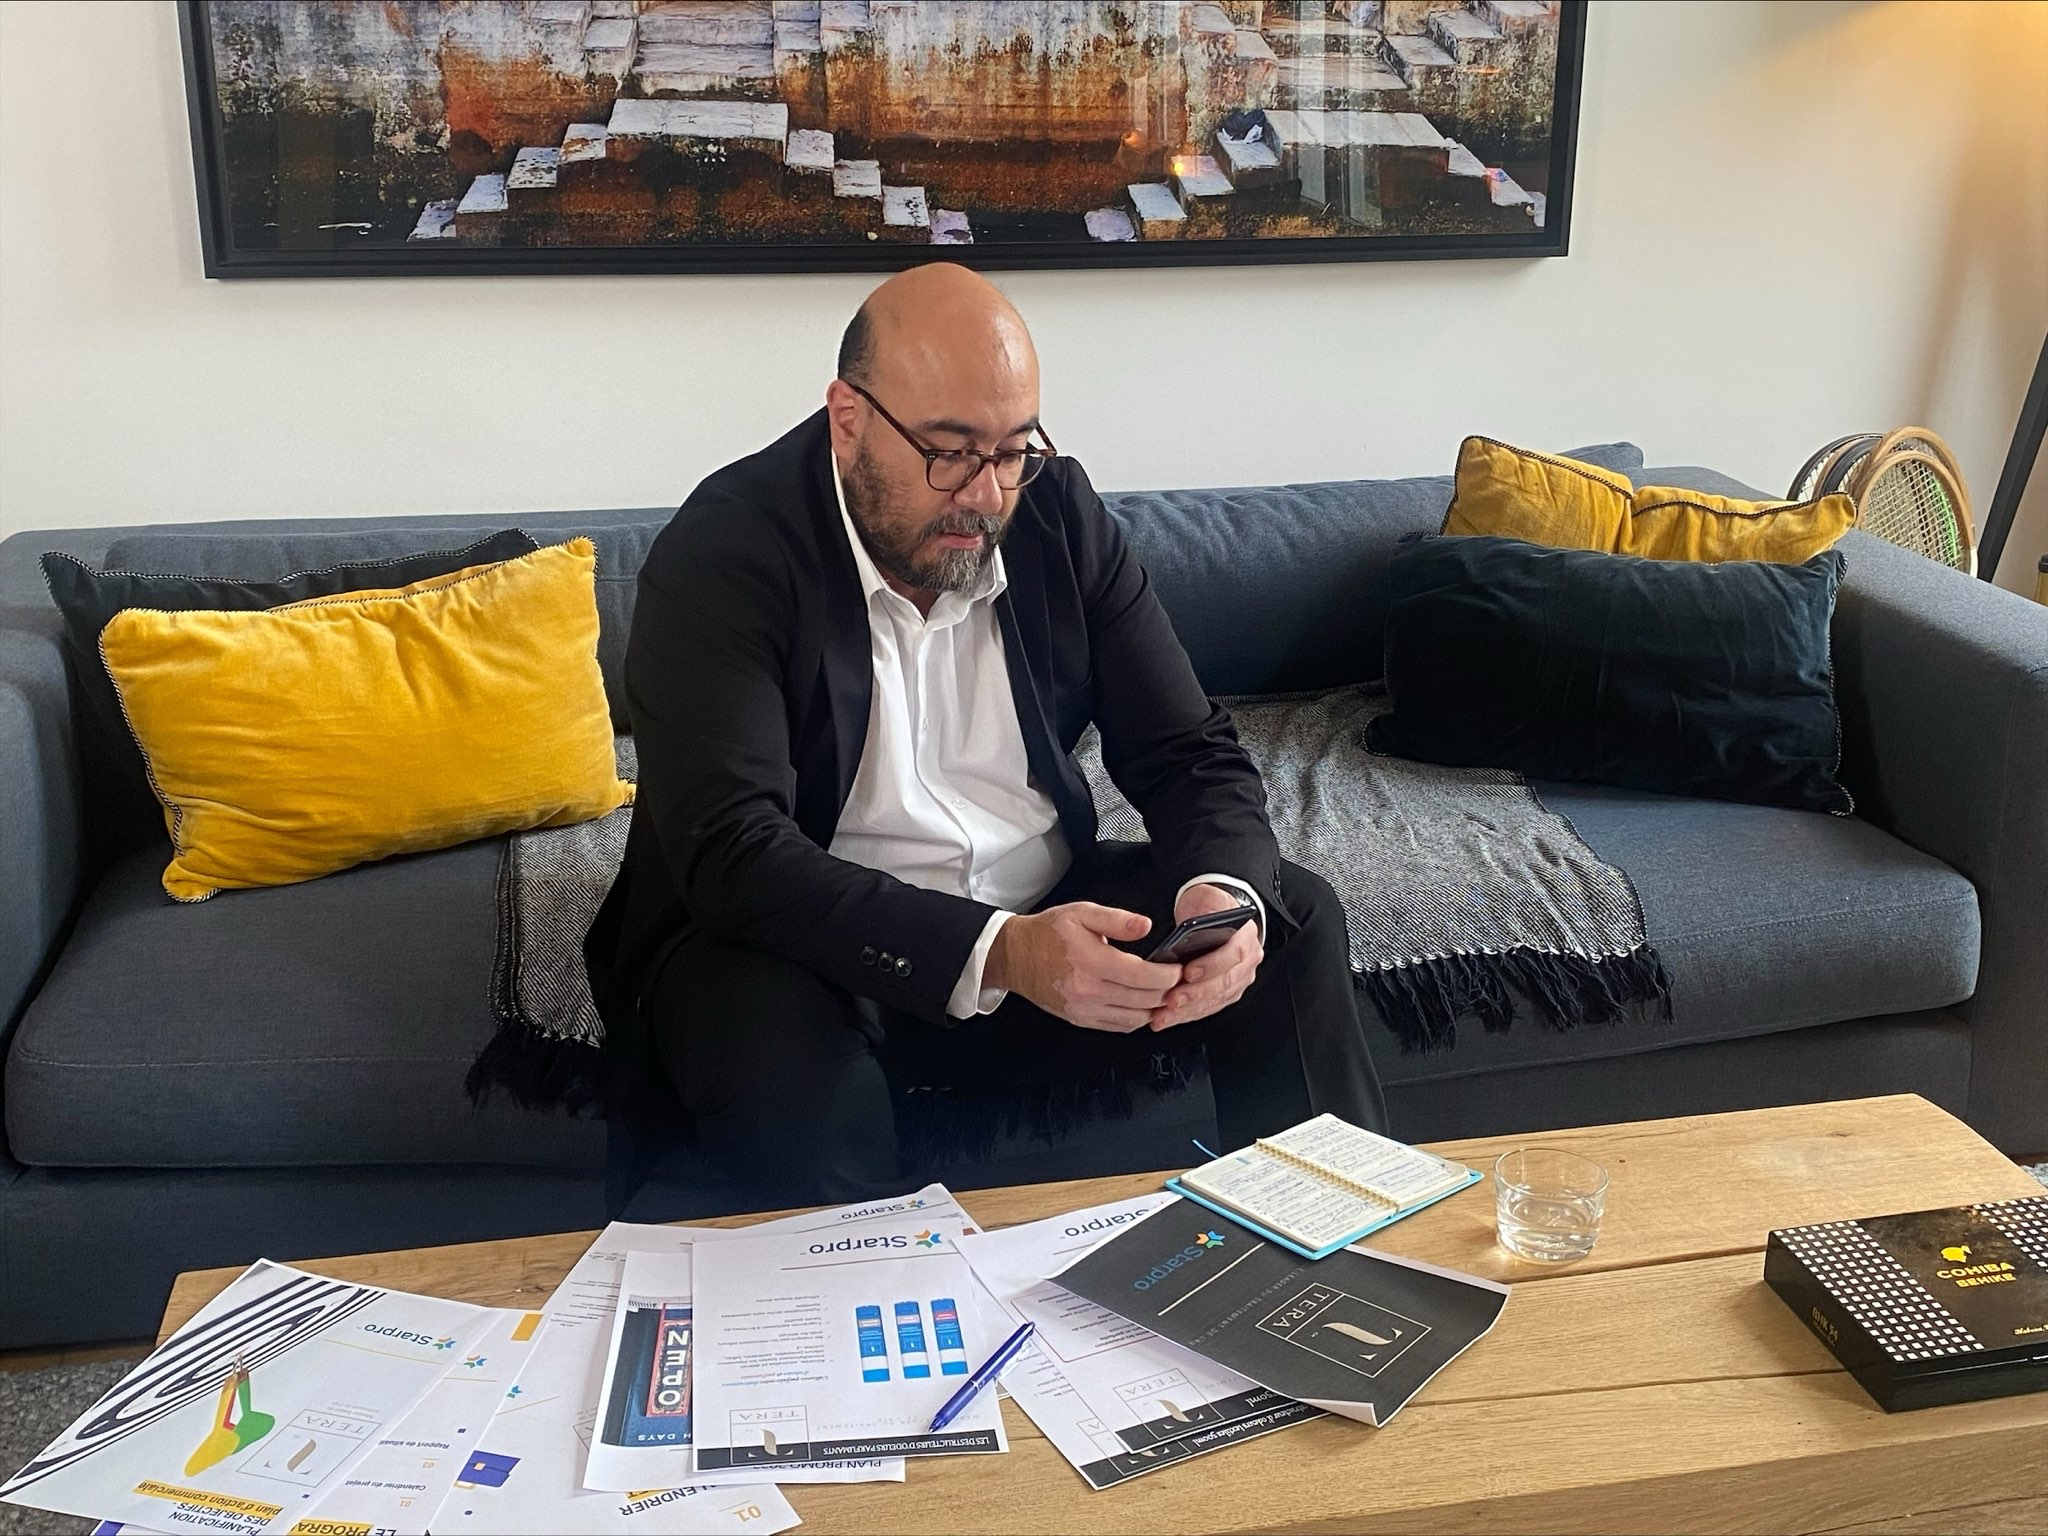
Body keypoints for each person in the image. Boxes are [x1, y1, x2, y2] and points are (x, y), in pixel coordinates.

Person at [585, 263, 1386, 1205]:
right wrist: (1002, 952)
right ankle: (863, 1291)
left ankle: (1332, 1252)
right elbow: (735, 855)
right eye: (951, 452)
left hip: (1040, 907)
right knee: (764, 1038)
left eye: (1012, 451)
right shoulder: (727, 553)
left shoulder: (1054, 513)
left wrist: (1224, 898)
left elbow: (1186, 750)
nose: (986, 494)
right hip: (811, 946)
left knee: (1289, 918)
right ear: (848, 419)